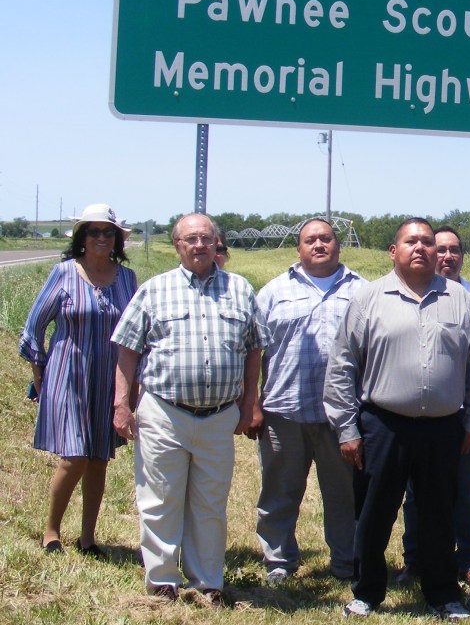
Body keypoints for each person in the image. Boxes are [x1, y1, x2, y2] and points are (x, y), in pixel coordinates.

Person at [323, 218, 470, 621]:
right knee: (375, 514)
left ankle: (442, 595)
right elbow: (342, 365)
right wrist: (347, 427)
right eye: (410, 241)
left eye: (428, 242)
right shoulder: (369, 298)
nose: (421, 248)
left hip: (444, 428)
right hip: (383, 424)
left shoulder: (459, 300)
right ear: (393, 251)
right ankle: (367, 593)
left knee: (438, 516)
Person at [111, 213, 268, 604]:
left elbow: (254, 350)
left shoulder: (240, 289)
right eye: (189, 239)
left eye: (205, 238)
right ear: (177, 246)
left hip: (218, 416)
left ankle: (208, 582)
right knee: (160, 498)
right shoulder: (154, 290)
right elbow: (127, 350)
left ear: (217, 243)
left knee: (210, 503)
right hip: (165, 412)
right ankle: (163, 581)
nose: (199, 245)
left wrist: (249, 403)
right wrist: (121, 403)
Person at [19, 203, 136, 556]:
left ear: (116, 239)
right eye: (94, 231)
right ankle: (51, 532)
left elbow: (136, 333)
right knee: (75, 455)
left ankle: (88, 538)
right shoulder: (64, 273)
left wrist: (132, 388)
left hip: (109, 377)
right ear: (82, 238)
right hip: (68, 374)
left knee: (99, 456)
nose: (101, 237)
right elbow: (33, 328)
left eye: (108, 232)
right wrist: (39, 374)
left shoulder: (127, 278)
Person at [254, 218, 365, 585]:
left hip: (342, 416)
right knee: (279, 489)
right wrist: (251, 403)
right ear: (298, 248)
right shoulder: (274, 291)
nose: (319, 245)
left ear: (338, 244)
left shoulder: (363, 291)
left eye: (326, 239)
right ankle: (278, 560)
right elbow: (253, 350)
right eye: (310, 240)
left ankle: (346, 562)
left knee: (343, 494)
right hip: (284, 410)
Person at [397, 225, 470, 591]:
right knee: (416, 493)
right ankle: (416, 559)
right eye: (441, 248)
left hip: (465, 412)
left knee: (464, 492)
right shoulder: (412, 292)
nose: (447, 256)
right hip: (421, 414)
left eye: (455, 250)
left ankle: (468, 559)